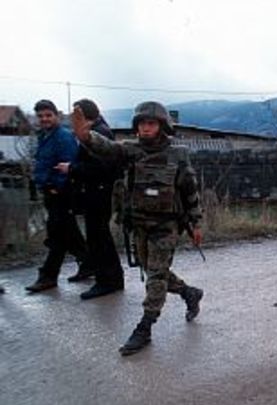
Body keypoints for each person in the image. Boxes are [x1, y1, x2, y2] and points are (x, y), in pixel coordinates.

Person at [71, 101, 204, 356]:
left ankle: (144, 328)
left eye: (151, 123)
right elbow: (108, 148)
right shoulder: (131, 150)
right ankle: (189, 292)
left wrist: (197, 223)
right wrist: (86, 137)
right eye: (142, 123)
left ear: (162, 125)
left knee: (155, 276)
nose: (145, 128)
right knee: (154, 270)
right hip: (139, 224)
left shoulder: (178, 154)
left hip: (166, 226)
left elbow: (190, 191)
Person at [55, 99, 125, 299]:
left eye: (76, 115)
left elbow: (101, 169)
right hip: (95, 193)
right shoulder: (97, 130)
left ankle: (108, 281)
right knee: (99, 237)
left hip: (99, 193)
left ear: (84, 115)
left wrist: (72, 168)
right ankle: (108, 278)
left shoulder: (99, 133)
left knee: (99, 238)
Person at [26, 100, 90, 293]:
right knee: (68, 233)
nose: (44, 119)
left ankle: (48, 276)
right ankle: (89, 263)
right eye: (40, 116)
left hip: (60, 193)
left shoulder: (62, 137)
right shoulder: (44, 136)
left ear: (57, 116)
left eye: (48, 115)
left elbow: (68, 167)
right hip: (49, 191)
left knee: (57, 237)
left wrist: (56, 187)